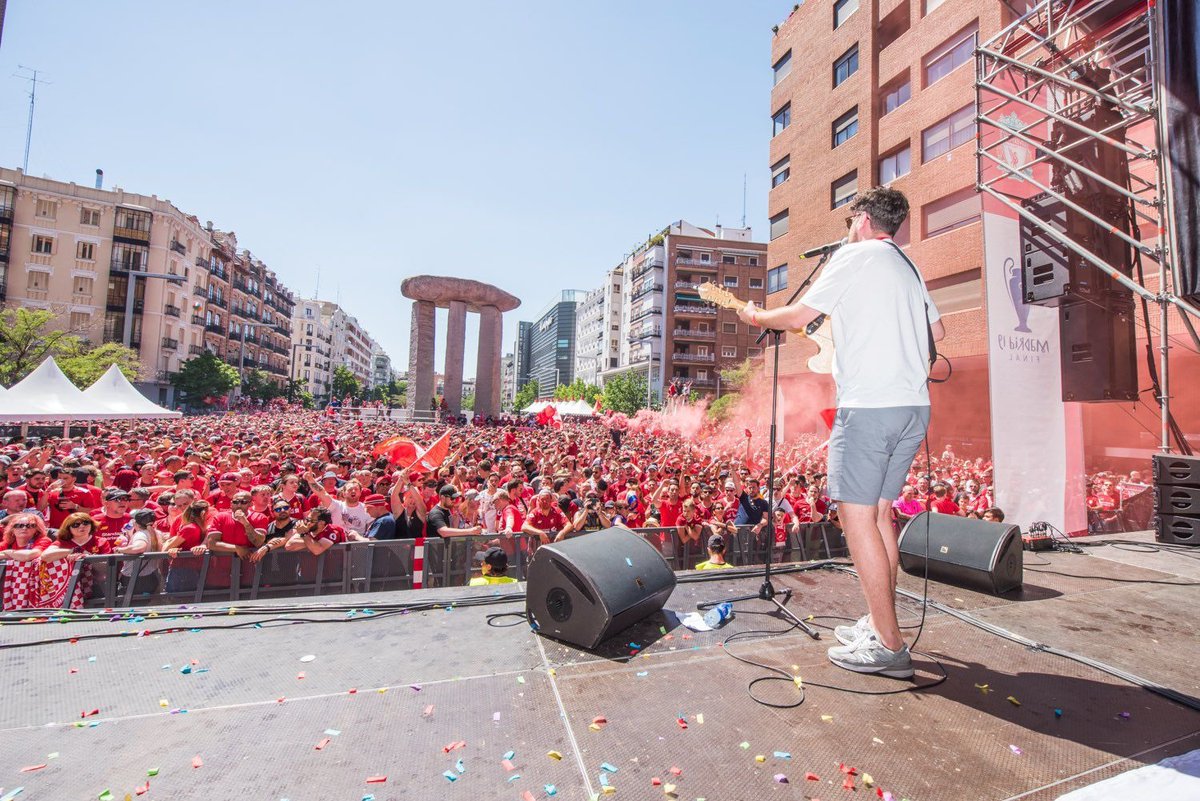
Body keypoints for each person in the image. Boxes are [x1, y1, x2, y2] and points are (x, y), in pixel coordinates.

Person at [739, 186, 944, 679]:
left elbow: (798, 317)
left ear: (864, 219)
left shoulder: (857, 256)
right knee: (879, 514)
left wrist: (754, 316)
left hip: (869, 408)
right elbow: (939, 336)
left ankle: (890, 646)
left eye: (851, 218)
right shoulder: (907, 266)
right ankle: (880, 624)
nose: (848, 228)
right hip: (912, 406)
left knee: (857, 519)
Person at [115, 508, 161, 597]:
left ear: (135, 522)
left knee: (131, 608)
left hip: (136, 579)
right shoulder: (156, 533)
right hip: (151, 576)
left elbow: (139, 548)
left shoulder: (141, 534)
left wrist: (120, 549)